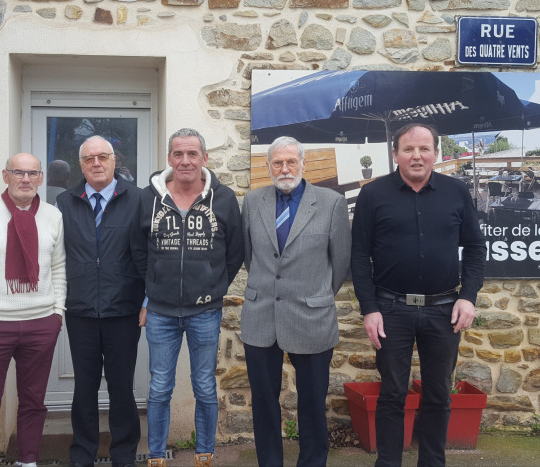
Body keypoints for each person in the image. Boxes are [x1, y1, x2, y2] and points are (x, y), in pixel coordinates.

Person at [351, 123, 486, 467]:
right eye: (408, 149)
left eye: (424, 149)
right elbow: (359, 256)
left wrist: (468, 297)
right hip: (391, 310)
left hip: (444, 311)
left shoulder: (456, 193)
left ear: (436, 154)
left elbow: (473, 247)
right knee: (393, 394)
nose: (417, 156)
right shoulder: (373, 194)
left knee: (439, 395)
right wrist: (369, 308)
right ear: (395, 154)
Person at [131, 128, 244, 467]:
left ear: (204, 158)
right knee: (160, 388)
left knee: (205, 387)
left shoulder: (223, 199)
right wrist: (151, 287)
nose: (185, 161)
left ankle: (204, 453)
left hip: (204, 311)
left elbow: (235, 252)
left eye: (192, 154)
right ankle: (155, 455)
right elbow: (139, 249)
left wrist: (215, 287)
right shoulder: (147, 198)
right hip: (161, 311)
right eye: (178, 154)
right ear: (169, 159)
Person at [241, 136, 351, 467]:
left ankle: (313, 461)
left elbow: (340, 263)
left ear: (303, 163)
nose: (285, 168)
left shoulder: (331, 203)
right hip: (261, 317)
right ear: (268, 166)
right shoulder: (252, 201)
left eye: (291, 161)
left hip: (311, 316)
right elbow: (251, 258)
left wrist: (316, 296)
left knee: (313, 403)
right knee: (263, 402)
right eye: (277, 162)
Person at [0, 152, 66, 467]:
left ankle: (28, 461)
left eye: (32, 173)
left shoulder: (53, 215)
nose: (25, 179)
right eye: (18, 172)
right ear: (5, 175)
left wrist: (57, 313)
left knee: (34, 402)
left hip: (41, 323)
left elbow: (59, 266)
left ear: (40, 178)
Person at [56, 135, 144, 467]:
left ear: (113, 161)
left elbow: (147, 253)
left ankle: (124, 455)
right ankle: (83, 455)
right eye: (89, 158)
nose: (96, 163)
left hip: (123, 310)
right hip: (80, 310)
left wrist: (146, 299)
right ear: (80, 165)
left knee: (122, 389)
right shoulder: (65, 202)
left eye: (103, 157)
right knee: (85, 389)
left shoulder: (138, 199)